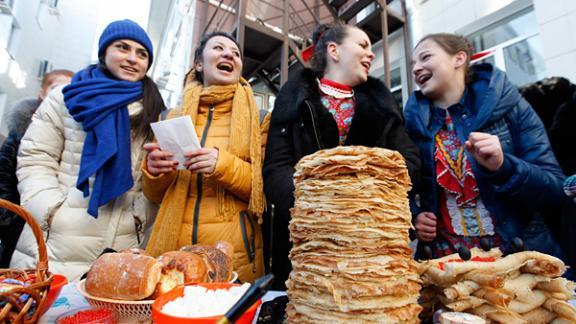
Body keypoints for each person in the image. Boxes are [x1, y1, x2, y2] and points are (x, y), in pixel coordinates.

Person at [263, 23, 420, 290]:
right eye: (362, 45)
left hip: (371, 238)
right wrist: (317, 209)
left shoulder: (384, 107)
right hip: (307, 242)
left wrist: (360, 197)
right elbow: (276, 169)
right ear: (334, 50)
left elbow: (410, 162)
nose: (371, 54)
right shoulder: (292, 101)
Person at [10, 19, 165, 280]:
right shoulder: (66, 96)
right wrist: (50, 211)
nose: (132, 59)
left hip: (122, 241)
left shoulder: (153, 109)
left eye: (142, 54)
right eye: (122, 48)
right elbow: (35, 157)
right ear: (104, 51)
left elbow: (151, 179)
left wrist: (139, 217)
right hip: (57, 240)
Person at [404, 33, 567, 263]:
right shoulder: (411, 124)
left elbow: (556, 192)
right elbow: (399, 189)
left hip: (520, 263)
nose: (416, 68)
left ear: (459, 59)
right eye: (413, 64)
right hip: (445, 269)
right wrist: (415, 216)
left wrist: (505, 167)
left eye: (425, 57)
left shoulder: (511, 106)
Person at [142, 32, 268, 283]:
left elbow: (262, 193)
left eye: (235, 53)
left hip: (235, 255)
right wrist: (155, 172)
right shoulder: (170, 117)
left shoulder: (260, 119)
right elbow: (155, 196)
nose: (229, 54)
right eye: (218, 48)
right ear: (199, 64)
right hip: (174, 255)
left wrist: (221, 164)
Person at [0, 69, 73, 267]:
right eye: (58, 88)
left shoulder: (74, 133)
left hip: (54, 230)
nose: (64, 93)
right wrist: (11, 223)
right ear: (42, 92)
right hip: (19, 224)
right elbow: (3, 181)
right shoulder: (20, 133)